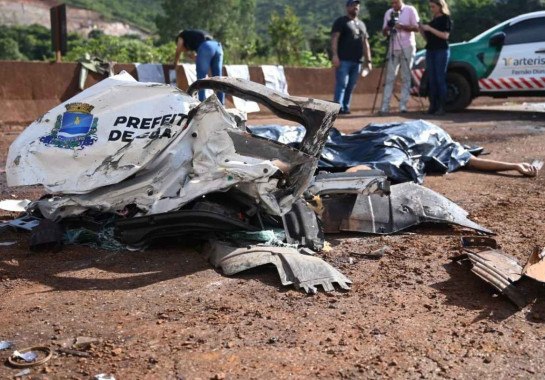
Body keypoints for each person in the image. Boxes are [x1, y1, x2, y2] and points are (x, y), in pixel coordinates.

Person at [331, 0, 372, 115]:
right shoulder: (341, 21)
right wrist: (335, 55)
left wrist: (368, 60)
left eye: (357, 5)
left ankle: (345, 107)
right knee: (342, 84)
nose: (356, 7)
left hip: (357, 61)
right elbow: (335, 38)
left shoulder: (362, 24)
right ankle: (337, 107)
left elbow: (365, 43)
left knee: (351, 85)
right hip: (343, 59)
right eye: (353, 5)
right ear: (347, 7)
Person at [379, 0, 420, 115]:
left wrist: (402, 26)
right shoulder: (389, 13)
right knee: (389, 77)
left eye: (396, 3)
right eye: (392, 3)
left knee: (406, 75)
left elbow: (417, 28)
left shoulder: (410, 10)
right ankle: (385, 106)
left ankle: (403, 105)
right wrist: (388, 27)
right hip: (393, 46)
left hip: (407, 45)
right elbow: (384, 32)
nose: (394, 5)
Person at [174, 29, 224, 104]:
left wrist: (175, 63)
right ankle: (221, 104)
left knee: (201, 78)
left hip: (206, 47)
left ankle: (202, 103)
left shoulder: (182, 35)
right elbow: (201, 55)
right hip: (218, 47)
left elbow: (179, 48)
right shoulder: (194, 35)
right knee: (218, 79)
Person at [419, 0, 452, 115]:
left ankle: (442, 106)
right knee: (432, 79)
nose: (431, 9)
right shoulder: (433, 21)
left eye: (433, 6)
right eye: (430, 7)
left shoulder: (445, 19)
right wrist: (421, 30)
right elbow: (428, 38)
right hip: (430, 50)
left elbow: (445, 35)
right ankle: (433, 105)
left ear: (439, 6)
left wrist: (429, 29)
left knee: (439, 78)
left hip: (441, 50)